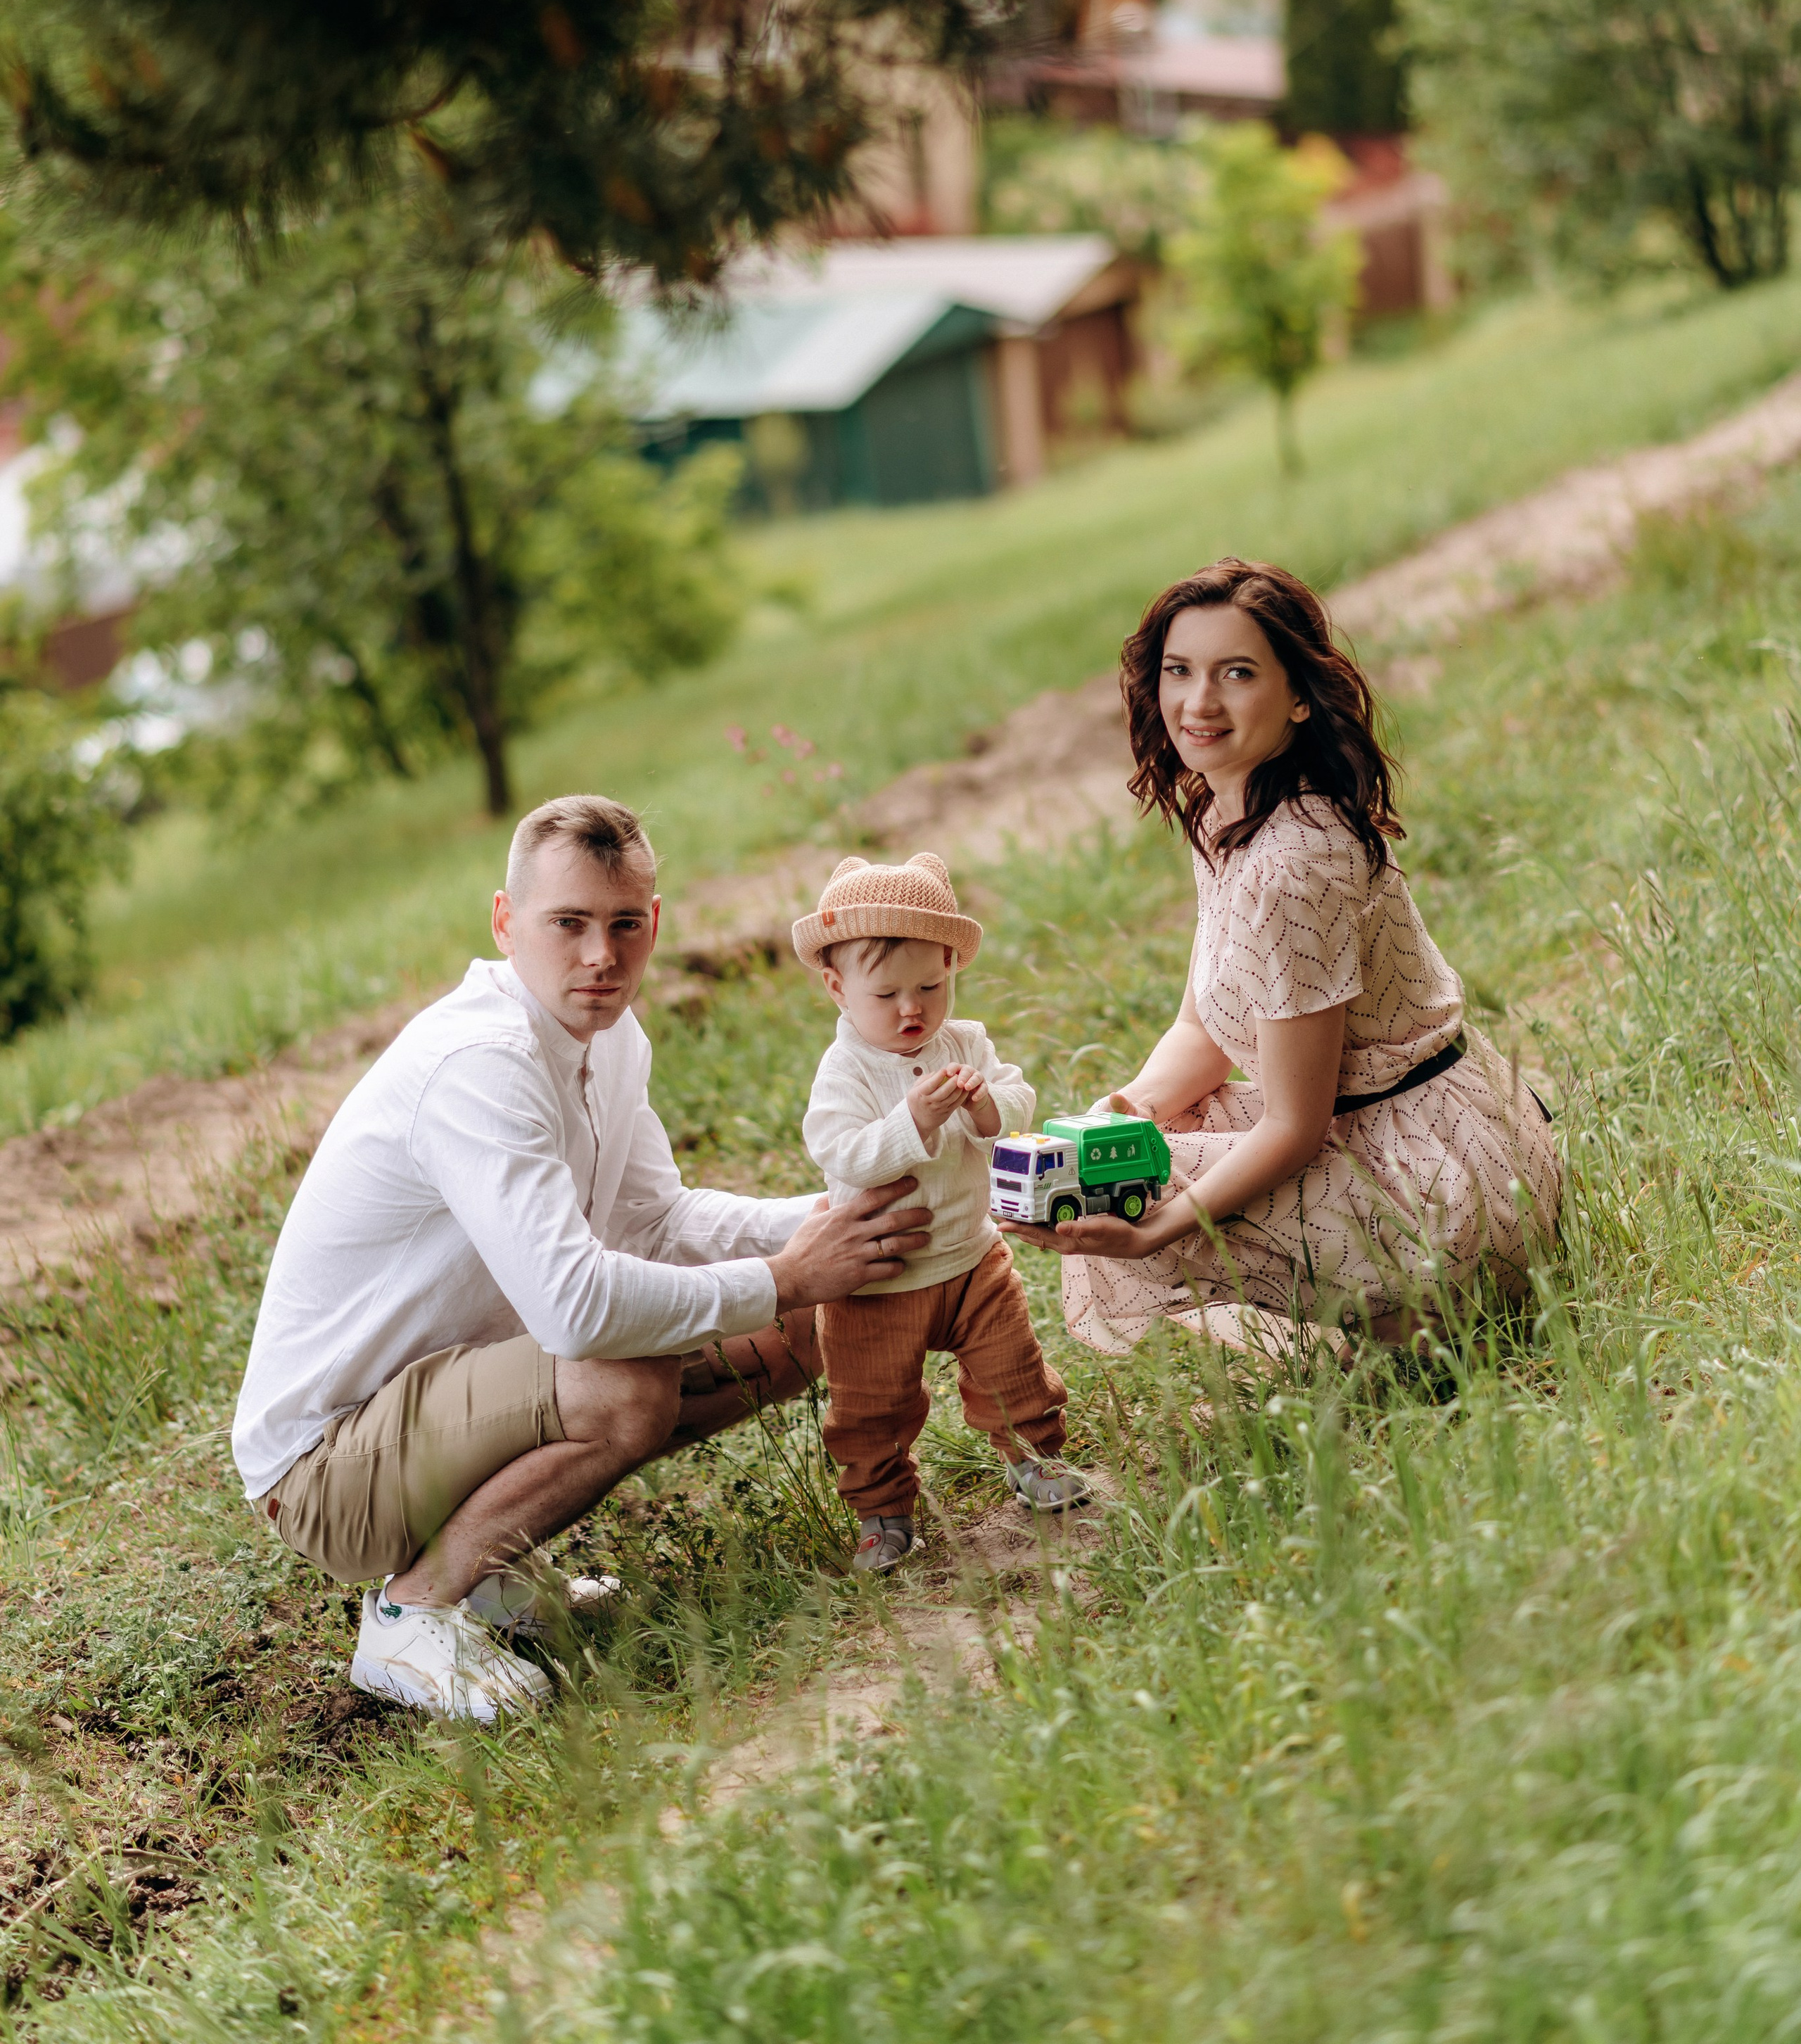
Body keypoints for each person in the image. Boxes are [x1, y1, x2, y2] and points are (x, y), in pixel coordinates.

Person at [231, 794, 932, 1722]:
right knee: (627, 1385)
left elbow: (656, 1218)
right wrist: (789, 1273)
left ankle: (489, 1579)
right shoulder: (481, 1062)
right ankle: (411, 1611)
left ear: (654, 924)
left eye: (624, 925)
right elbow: (574, 1312)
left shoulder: (609, 1038)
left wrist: (828, 1222)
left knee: (794, 1332)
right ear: (505, 921)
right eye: (568, 924)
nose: (601, 957)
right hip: (327, 1469)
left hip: (442, 1405)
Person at [1003, 561, 1559, 1361]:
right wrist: (1116, 1115)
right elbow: (1201, 1027)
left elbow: (1294, 1128)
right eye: (1179, 672)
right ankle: (1344, 1337)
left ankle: (1377, 1348)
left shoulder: (1293, 864)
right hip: (1384, 1129)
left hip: (1433, 1178)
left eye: (1236, 673)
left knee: (1138, 1208)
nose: (1198, 703)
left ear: (1298, 694)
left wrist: (1162, 1224)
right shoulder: (1228, 813)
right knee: (1136, 1153)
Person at [792, 851, 1090, 1574]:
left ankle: (1033, 1460)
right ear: (836, 988)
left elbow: (1016, 1100)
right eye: (886, 993)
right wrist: (912, 1122)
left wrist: (988, 1104)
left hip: (971, 1256)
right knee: (870, 1408)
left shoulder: (966, 1044)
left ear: (952, 969)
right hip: (878, 1280)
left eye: (931, 985)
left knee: (1011, 1367)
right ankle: (882, 1513)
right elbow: (842, 1152)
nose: (912, 1009)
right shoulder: (846, 1072)